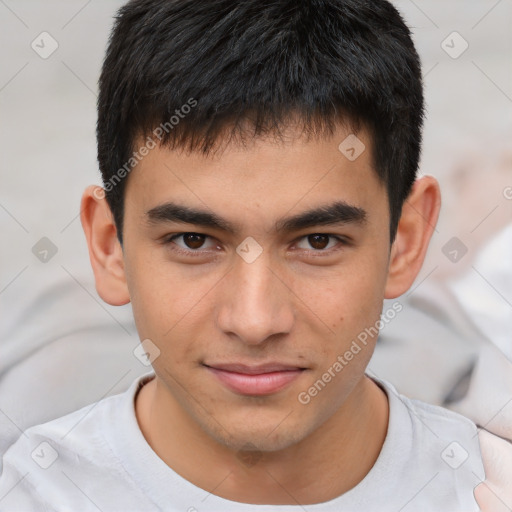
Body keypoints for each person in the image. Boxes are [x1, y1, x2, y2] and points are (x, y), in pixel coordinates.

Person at [0, 0, 509, 510]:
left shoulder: (482, 489)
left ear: (407, 240)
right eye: (193, 241)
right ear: (110, 247)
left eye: (317, 241)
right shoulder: (29, 495)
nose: (255, 321)